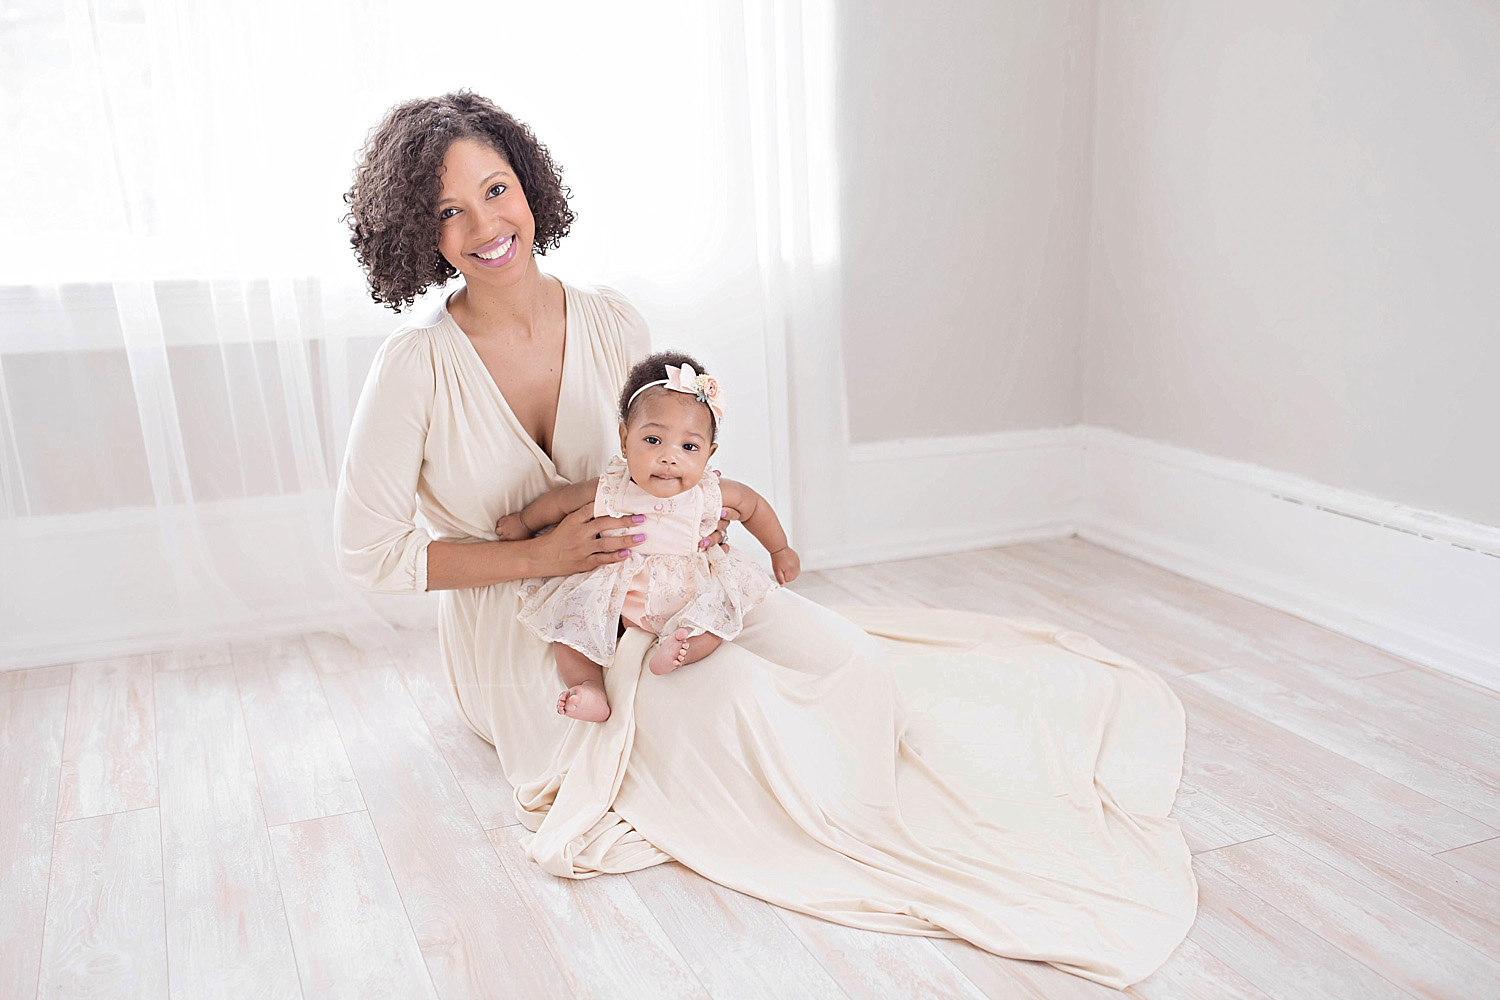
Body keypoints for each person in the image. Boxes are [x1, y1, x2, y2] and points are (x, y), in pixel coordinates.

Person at [336, 91, 1196, 990]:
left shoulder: (612, 322)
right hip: (537, 632)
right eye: (447, 210)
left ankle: (870, 798)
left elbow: (671, 460)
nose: (484, 224)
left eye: (497, 188)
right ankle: (834, 823)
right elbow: (368, 555)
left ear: (530, 188)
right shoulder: (415, 366)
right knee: (734, 701)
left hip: (663, 582)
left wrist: (720, 537)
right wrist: (538, 558)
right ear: (417, 233)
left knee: (852, 660)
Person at [497, 350, 799, 722]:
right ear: (624, 439)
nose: (669, 458)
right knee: (569, 633)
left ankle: (676, 651)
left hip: (683, 593)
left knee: (716, 622)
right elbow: (560, 503)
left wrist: (779, 548)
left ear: (709, 454)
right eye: (653, 440)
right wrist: (525, 522)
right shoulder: (613, 487)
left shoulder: (708, 493)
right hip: (617, 593)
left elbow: (754, 506)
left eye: (688, 447)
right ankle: (589, 688)